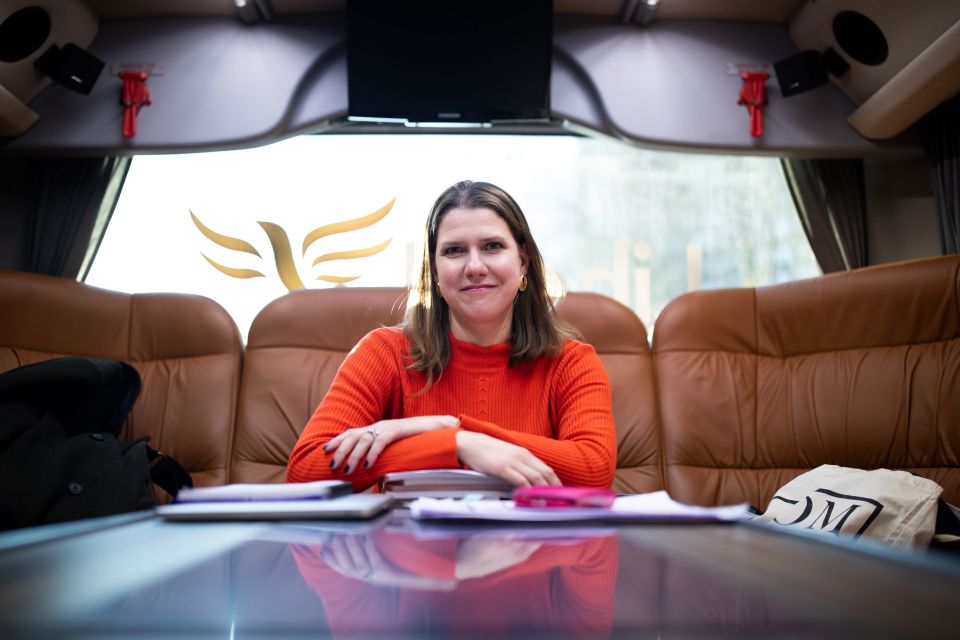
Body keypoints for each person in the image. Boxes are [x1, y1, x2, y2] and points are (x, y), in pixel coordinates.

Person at [286, 180, 616, 490]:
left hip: (534, 548)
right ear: (436, 271)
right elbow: (306, 470)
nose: (474, 266)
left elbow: (593, 470)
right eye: (454, 250)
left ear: (523, 263)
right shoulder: (383, 352)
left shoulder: (572, 362)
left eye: (492, 246)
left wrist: (450, 426)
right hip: (407, 547)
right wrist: (457, 444)